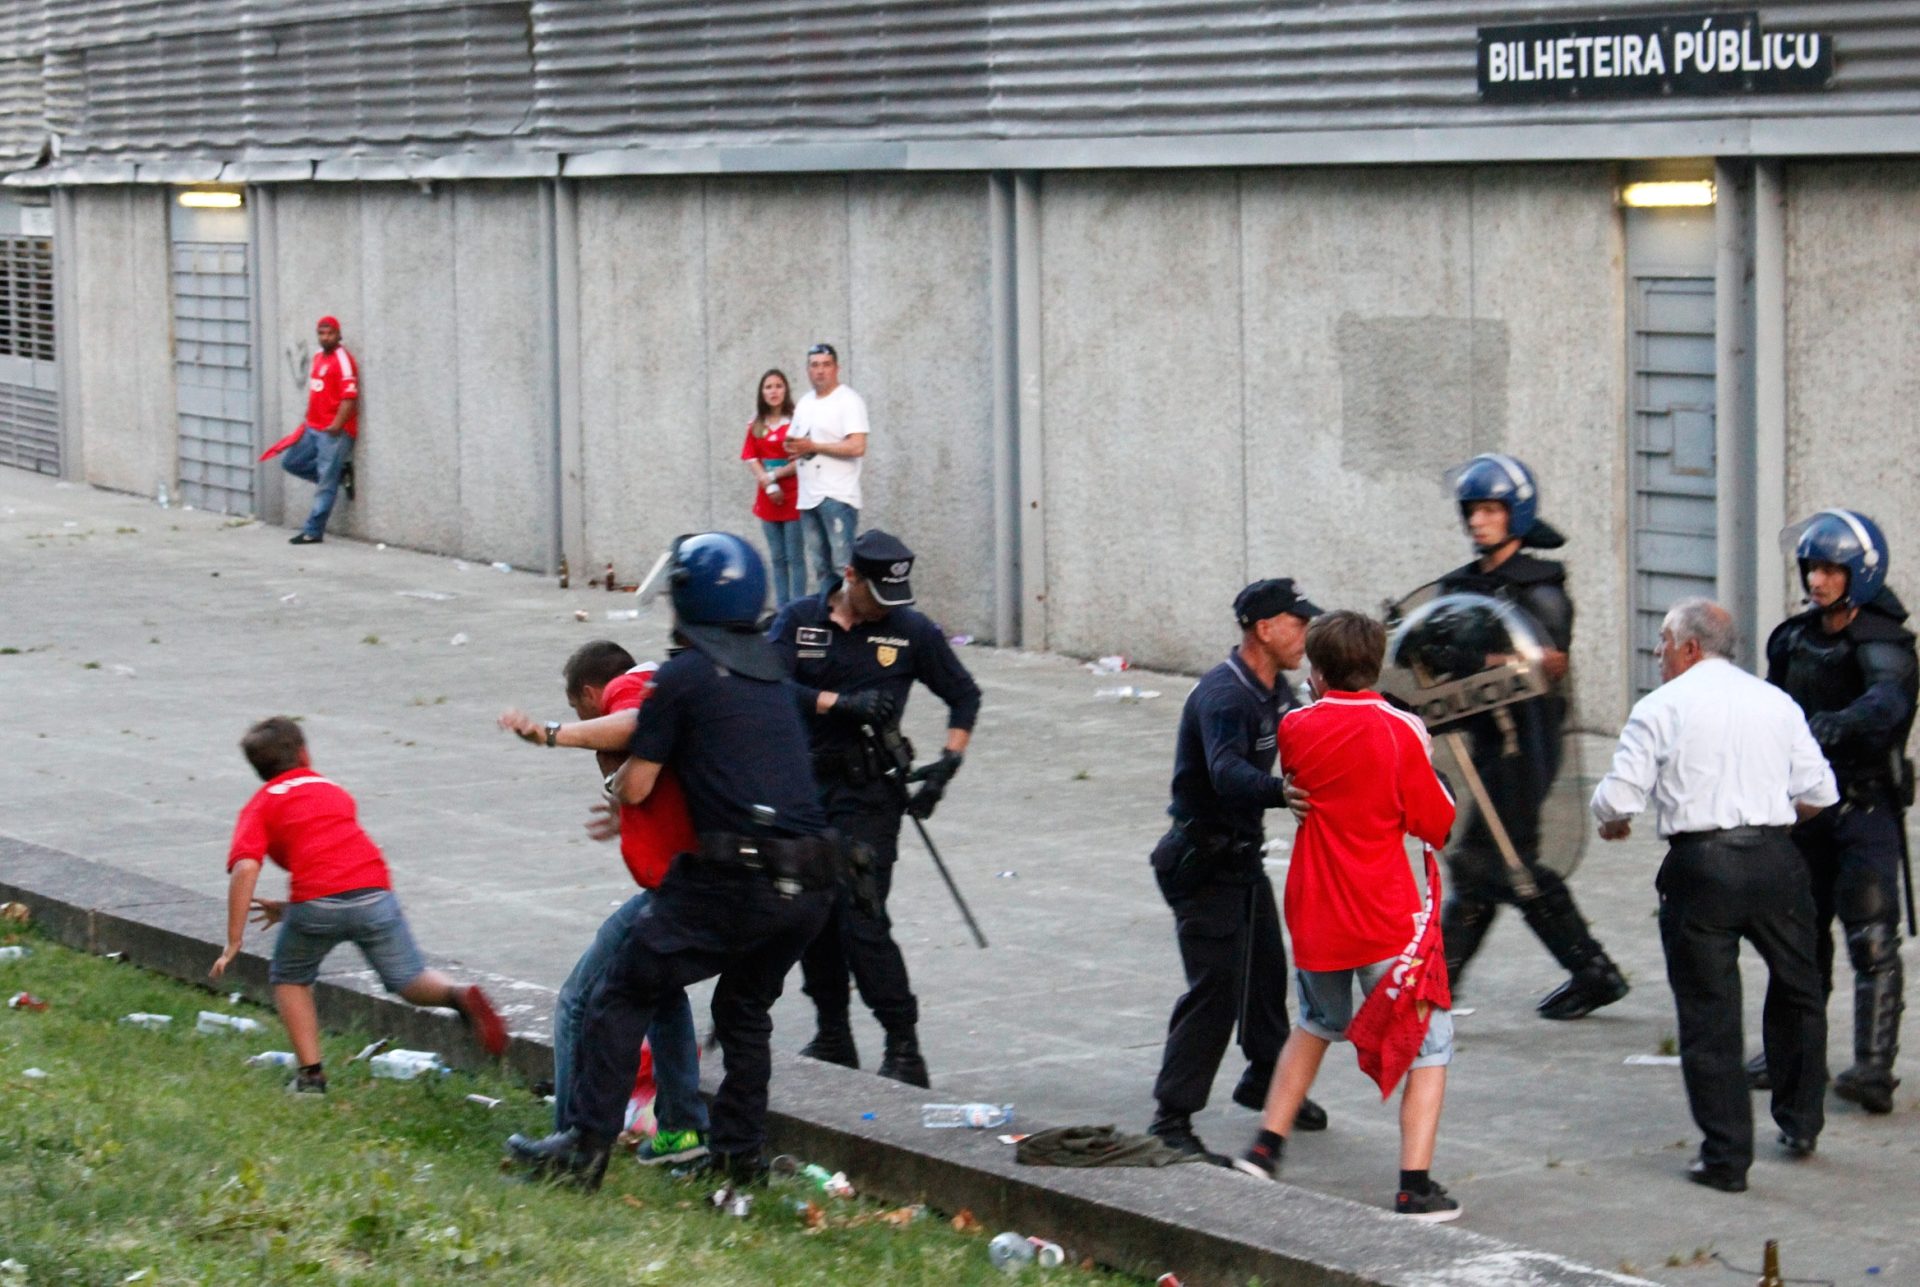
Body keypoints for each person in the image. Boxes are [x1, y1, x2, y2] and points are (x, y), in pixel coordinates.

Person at [505, 533, 846, 1191]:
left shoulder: (682, 676)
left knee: (621, 989)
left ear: (687, 599)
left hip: (733, 879)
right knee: (745, 1012)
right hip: (812, 885)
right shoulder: (771, 671)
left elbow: (635, 784)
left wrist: (554, 735)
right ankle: (739, 1161)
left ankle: (582, 1147)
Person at [1591, 598, 1835, 1192]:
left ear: (1691, 648)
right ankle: (1800, 1122)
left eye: (1664, 643)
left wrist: (1612, 819)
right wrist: (1769, 819)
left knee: (1709, 1013)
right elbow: (1820, 792)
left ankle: (1726, 1159)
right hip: (1777, 859)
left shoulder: (1660, 707)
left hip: (1701, 866)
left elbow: (1619, 799)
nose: (1658, 654)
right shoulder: (1777, 703)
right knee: (1800, 990)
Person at [1234, 611, 1461, 1222]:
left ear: (1319, 669)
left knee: (1314, 1021)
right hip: (1382, 915)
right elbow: (1435, 822)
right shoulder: (1400, 730)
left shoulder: (1295, 726)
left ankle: (1265, 1146)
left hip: (1315, 912)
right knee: (1430, 1046)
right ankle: (1415, 1186)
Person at [767, 529, 979, 1088]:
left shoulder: (910, 632)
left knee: (862, 916)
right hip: (804, 790)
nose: (888, 606)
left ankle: (903, 1045)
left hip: (870, 794)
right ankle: (833, 1032)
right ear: (850, 577)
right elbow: (765, 683)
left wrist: (947, 763)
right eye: (877, 593)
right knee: (813, 915)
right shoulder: (798, 620)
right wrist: (836, 703)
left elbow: (964, 694)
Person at [496, 639, 709, 1166]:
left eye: (580, 710)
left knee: (577, 1000)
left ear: (591, 694)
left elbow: (638, 721)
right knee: (661, 992)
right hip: (693, 879)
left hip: (680, 889)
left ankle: (571, 1137)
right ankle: (683, 1130)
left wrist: (550, 734)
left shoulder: (629, 687)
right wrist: (631, 809)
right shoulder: (666, 686)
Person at [210, 717, 507, 1093]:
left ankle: (311, 1077)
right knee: (407, 979)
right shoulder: (333, 790)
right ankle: (458, 994)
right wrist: (289, 910)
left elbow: (247, 866)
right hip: (375, 891)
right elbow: (338, 865)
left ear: (258, 769)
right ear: (304, 753)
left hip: (317, 902)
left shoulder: (262, 803)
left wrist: (234, 938)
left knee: (290, 977)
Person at [1434, 453, 1628, 1021]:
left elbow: (1545, 663)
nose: (1477, 521)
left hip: (1528, 745)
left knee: (1482, 860)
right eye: (1472, 510)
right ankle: (1594, 972)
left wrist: (1473, 653)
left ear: (1515, 514)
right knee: (1504, 864)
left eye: (1491, 509)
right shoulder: (1464, 584)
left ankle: (1438, 986)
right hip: (1485, 740)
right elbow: (1436, 651)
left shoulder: (1541, 587)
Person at [1147, 578, 1328, 1165]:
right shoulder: (1225, 696)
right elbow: (1226, 774)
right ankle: (1171, 1117)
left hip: (1240, 859)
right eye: (1297, 623)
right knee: (1215, 993)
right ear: (1264, 628)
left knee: (1267, 976)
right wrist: (1284, 791)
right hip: (1201, 864)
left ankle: (1268, 1083)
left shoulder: (1276, 690)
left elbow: (1321, 725)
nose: (1305, 634)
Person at [1759, 509, 1917, 1114]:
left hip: (1864, 807)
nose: (1818, 580)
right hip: (1803, 811)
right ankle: (1793, 1056)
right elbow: (1769, 702)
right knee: (1798, 938)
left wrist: (1832, 725)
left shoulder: (1884, 643)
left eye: (1831, 568)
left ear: (1860, 573)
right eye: (1812, 567)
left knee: (1872, 937)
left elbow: (1886, 703)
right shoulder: (1793, 637)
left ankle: (1874, 1069)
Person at [784, 343, 867, 589]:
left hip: (837, 496)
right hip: (808, 496)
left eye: (826, 365)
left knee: (844, 567)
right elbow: (797, 441)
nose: (820, 371)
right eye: (815, 365)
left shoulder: (848, 400)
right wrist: (794, 446)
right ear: (808, 370)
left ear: (836, 368)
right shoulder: (805, 402)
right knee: (821, 569)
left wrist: (814, 446)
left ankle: (850, 624)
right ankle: (829, 622)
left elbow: (857, 446)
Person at [275, 315, 359, 546]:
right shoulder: (318, 357)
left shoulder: (344, 360)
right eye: (321, 333)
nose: (325, 337)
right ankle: (339, 475)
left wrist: (337, 425)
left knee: (325, 483)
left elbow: (349, 397)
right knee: (291, 462)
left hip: (333, 432)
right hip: (313, 427)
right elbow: (318, 393)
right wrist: (308, 420)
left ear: (338, 335)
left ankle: (313, 531)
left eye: (330, 333)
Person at [740, 369, 805, 607]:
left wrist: (775, 475)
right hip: (768, 495)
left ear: (786, 389)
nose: (773, 391)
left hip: (794, 494)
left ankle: (797, 610)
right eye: (768, 387)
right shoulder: (757, 423)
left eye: (778, 386)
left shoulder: (797, 420)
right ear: (762, 392)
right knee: (777, 557)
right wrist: (768, 484)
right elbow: (750, 456)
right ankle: (782, 609)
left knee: (795, 557)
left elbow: (801, 458)